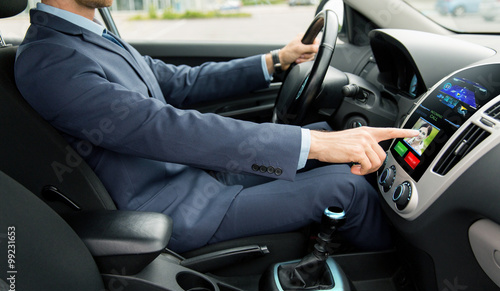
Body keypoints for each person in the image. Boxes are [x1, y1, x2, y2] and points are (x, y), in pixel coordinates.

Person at [15, 0, 418, 253]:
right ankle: (401, 281)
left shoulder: (89, 38)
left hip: (194, 177)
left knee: (320, 133)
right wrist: (315, 144)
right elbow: (158, 127)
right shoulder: (51, 59)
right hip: (175, 208)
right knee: (343, 186)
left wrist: (278, 60)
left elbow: (179, 83)